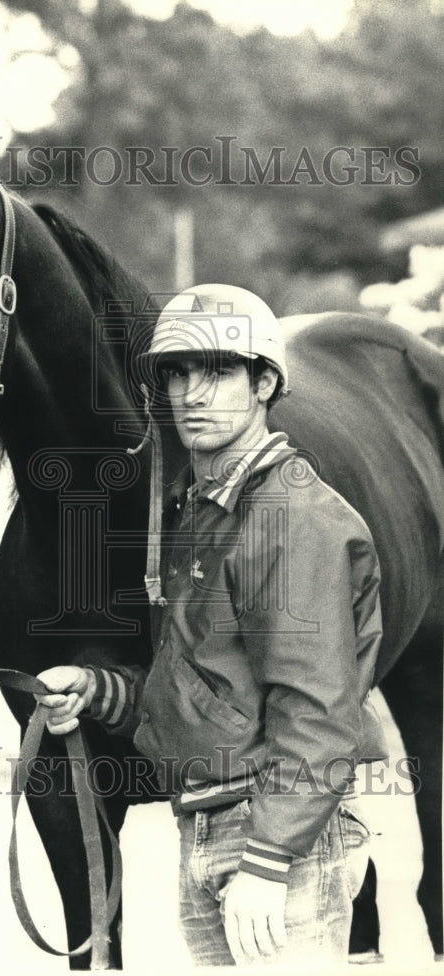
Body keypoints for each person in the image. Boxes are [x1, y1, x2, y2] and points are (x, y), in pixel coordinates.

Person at [35, 284, 388, 967]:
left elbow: (318, 713)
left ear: (264, 384)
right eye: (178, 372)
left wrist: (268, 859)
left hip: (274, 837)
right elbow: (209, 689)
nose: (194, 393)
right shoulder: (202, 512)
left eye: (220, 371)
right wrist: (97, 691)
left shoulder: (292, 517)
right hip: (208, 826)